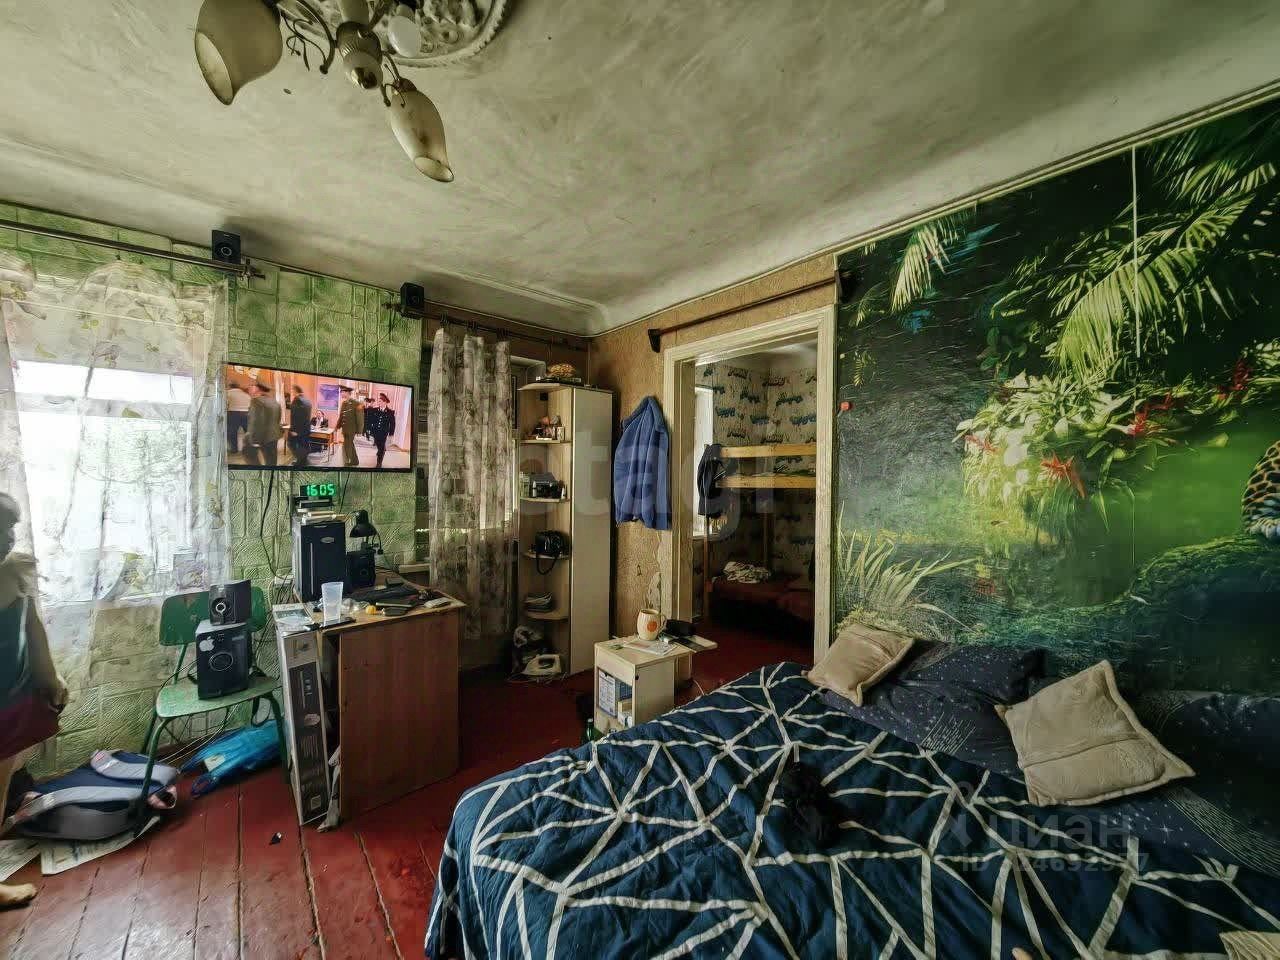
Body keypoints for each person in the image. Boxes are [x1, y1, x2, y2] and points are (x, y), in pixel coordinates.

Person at [0, 493, 66, 910]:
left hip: (7, 707)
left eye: (9, 528)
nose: (7, 538)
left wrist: (51, 678)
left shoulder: (14, 574)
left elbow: (33, 630)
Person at [245, 380, 283, 467]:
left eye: (252, 386)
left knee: (249, 456)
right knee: (272, 461)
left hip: (263, 437)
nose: (250, 388)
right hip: (274, 435)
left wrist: (254, 440)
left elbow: (255, 421)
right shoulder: (274, 401)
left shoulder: (256, 401)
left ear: (257, 389)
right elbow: (278, 419)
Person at [365, 393, 397, 468]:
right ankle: (381, 450)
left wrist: (391, 434)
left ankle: (379, 462)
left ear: (385, 402)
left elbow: (392, 424)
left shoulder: (390, 412)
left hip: (383, 433)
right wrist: (368, 429)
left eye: (380, 401)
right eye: (378, 401)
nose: (378, 403)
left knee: (381, 447)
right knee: (378, 445)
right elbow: (370, 419)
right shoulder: (375, 410)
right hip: (375, 432)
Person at [338, 386, 364, 468]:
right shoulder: (344, 403)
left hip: (351, 429)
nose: (341, 393)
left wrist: (360, 431)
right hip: (345, 429)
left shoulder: (357, 403)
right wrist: (337, 426)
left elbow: (360, 418)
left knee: (347, 445)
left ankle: (348, 461)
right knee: (350, 444)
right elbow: (341, 416)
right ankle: (355, 461)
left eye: (342, 392)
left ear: (347, 392)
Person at [287, 385, 313, 467]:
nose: (292, 392)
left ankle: (300, 462)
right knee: (304, 446)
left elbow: (295, 416)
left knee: (291, 444)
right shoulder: (307, 401)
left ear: (295, 391)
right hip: (306, 429)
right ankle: (303, 462)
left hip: (298, 430)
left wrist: (294, 430)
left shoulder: (297, 400)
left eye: (293, 390)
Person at [226, 380, 250, 454]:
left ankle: (234, 449)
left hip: (234, 413)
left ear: (230, 386)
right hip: (247, 414)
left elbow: (225, 403)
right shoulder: (245, 394)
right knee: (248, 432)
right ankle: (249, 449)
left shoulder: (228, 393)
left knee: (232, 432)